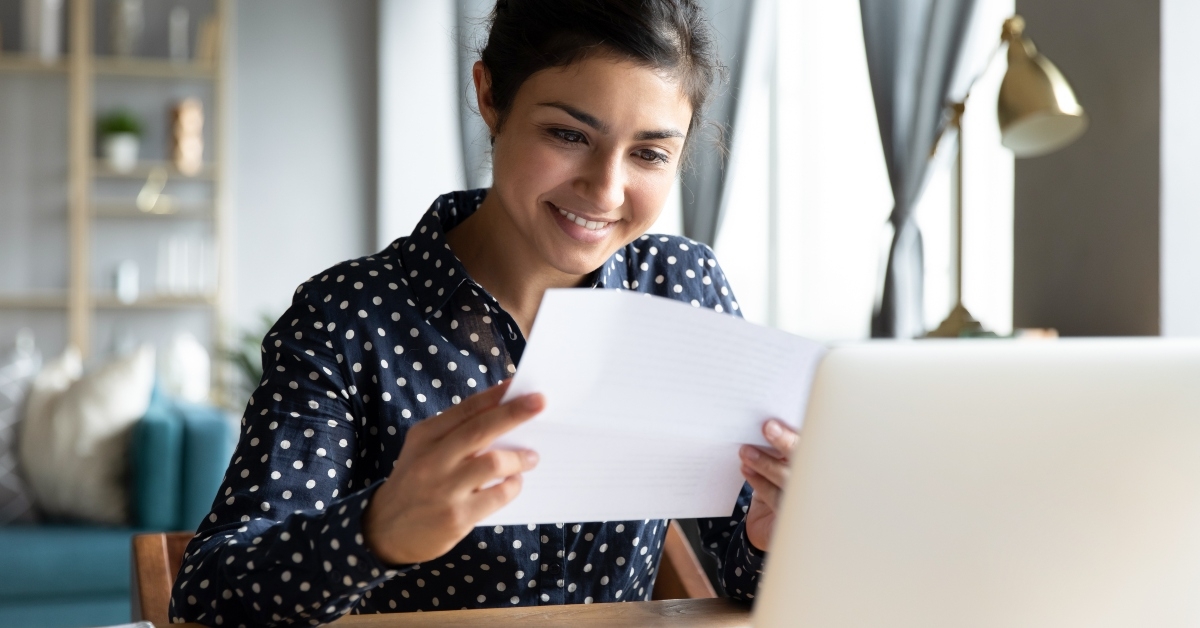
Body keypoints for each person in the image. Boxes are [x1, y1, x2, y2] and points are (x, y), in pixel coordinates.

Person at [169, 1, 799, 625]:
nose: (606, 191)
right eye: (568, 134)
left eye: (650, 154)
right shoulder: (347, 318)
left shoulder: (682, 288)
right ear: (490, 96)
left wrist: (778, 535)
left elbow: (745, 575)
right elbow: (205, 596)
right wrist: (374, 532)